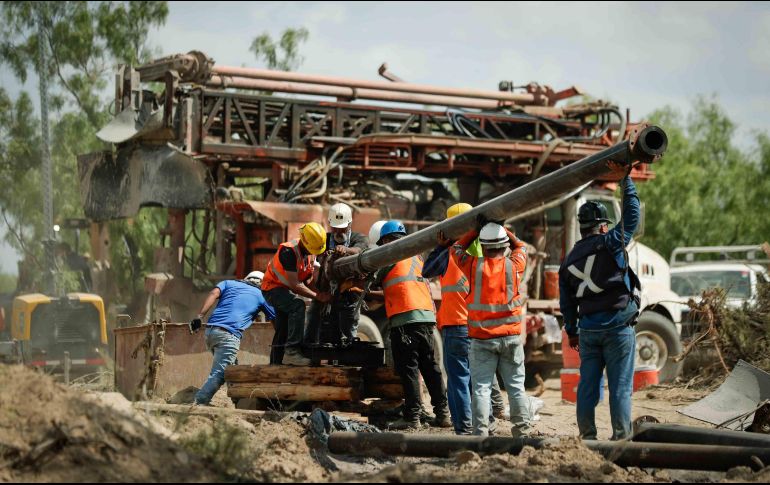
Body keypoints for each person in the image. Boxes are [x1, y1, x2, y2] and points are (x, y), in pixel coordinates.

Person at [559, 162, 641, 441]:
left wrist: (572, 331)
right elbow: (632, 216)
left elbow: (567, 304)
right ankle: (621, 439)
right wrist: (626, 181)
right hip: (618, 328)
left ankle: (587, 437)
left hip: (589, 332)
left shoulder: (568, 262)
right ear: (603, 226)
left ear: (582, 228)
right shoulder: (610, 242)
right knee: (620, 387)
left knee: (587, 386)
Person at [450, 220, 531, 437]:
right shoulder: (515, 265)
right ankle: (522, 434)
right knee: (516, 387)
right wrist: (504, 229)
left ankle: (481, 435)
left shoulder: (472, 266)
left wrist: (475, 230)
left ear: (483, 246)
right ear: (504, 246)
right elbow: (521, 246)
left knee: (481, 389)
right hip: (511, 337)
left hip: (482, 339)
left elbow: (456, 248)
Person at [369, 220, 451, 430]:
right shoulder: (416, 256)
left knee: (409, 369)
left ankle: (412, 418)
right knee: (430, 367)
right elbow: (399, 285)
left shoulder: (390, 256)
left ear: (386, 240)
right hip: (425, 317)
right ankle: (443, 414)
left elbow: (370, 279)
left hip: (405, 319)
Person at [422, 202, 480, 435]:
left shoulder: (450, 254)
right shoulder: (486, 250)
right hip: (480, 326)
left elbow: (426, 270)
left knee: (458, 379)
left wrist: (441, 246)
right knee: (479, 379)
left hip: (456, 325)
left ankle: (464, 428)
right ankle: (482, 424)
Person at [192, 271, 276, 405]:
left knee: (233, 369)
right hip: (228, 335)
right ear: (262, 283)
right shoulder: (261, 295)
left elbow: (213, 293)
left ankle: (239, 400)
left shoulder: (228, 283)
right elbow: (275, 319)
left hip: (210, 331)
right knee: (220, 373)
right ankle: (199, 402)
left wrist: (199, 316)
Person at [261, 222, 331, 366]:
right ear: (305, 241)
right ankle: (292, 352)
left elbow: (307, 279)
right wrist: (318, 296)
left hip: (284, 290)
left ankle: (275, 364)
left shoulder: (309, 253)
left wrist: (319, 293)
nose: (314, 252)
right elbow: (296, 285)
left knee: (283, 328)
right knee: (297, 305)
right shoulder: (288, 251)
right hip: (272, 288)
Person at [304, 203, 369, 345]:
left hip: (348, 294)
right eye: (335, 227)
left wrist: (346, 250)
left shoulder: (359, 238)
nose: (339, 230)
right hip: (324, 291)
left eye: (342, 227)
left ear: (350, 224)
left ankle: (348, 352)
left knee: (347, 333)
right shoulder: (324, 239)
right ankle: (310, 350)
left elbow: (360, 250)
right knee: (313, 324)